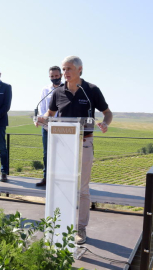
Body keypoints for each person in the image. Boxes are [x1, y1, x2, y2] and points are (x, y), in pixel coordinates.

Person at [40, 56, 113, 245]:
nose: (65, 73)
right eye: (64, 69)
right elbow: (50, 114)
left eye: (69, 69)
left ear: (80, 69)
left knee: (82, 189)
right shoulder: (57, 93)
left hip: (84, 143)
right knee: (62, 184)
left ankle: (80, 228)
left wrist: (105, 123)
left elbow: (107, 112)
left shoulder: (91, 91)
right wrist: (42, 119)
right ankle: (62, 224)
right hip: (62, 145)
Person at [34, 66, 62, 187]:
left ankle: (60, 178)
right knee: (47, 153)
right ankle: (46, 178)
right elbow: (42, 107)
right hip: (47, 126)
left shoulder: (67, 88)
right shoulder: (45, 90)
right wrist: (41, 119)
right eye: (52, 76)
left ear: (61, 75)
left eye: (56, 76)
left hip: (63, 127)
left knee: (61, 153)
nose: (54, 78)